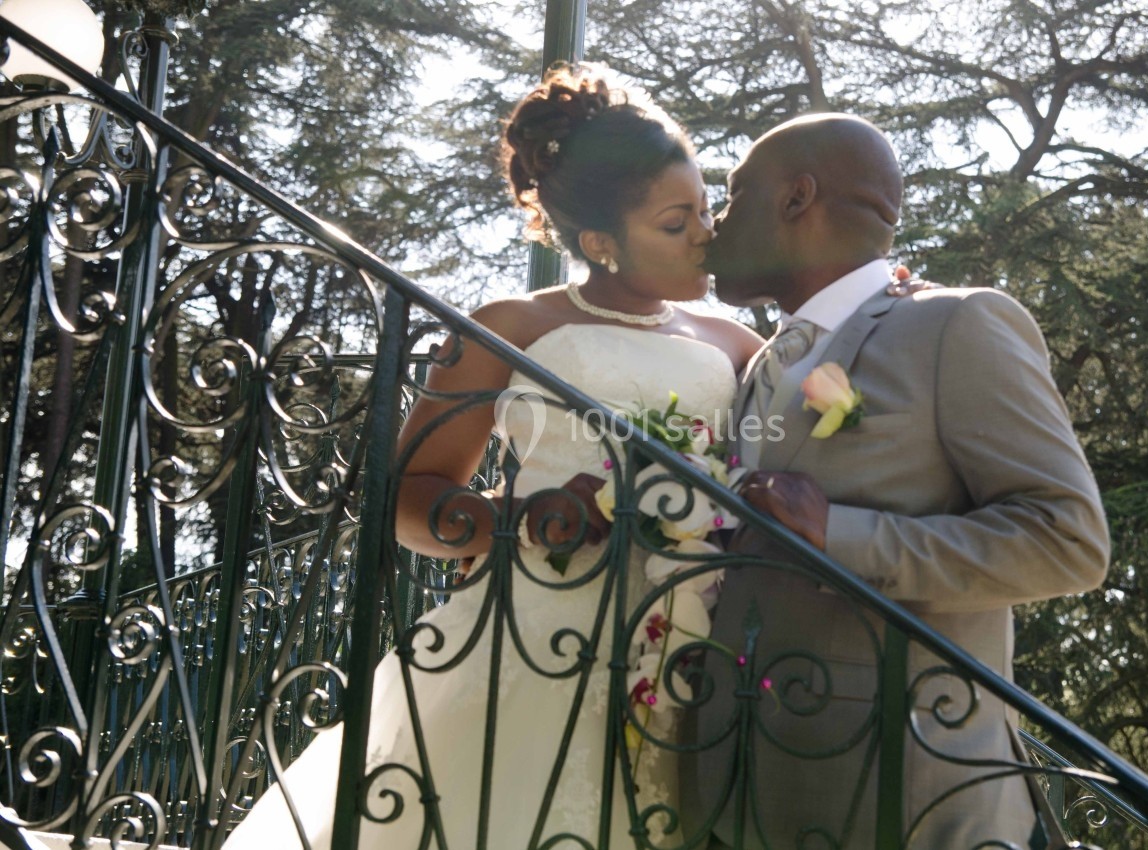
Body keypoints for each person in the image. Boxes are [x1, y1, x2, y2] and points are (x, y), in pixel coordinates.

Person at [221, 64, 761, 850]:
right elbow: (409, 502)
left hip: (691, 639)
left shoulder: (739, 345)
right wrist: (527, 523)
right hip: (531, 640)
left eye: (705, 212)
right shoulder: (512, 324)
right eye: (676, 224)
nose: (706, 235)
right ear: (601, 241)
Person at [680, 114, 1111, 849]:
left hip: (904, 795)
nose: (713, 226)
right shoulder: (758, 366)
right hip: (737, 789)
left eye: (732, 196)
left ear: (796, 198)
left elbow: (1068, 541)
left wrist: (840, 534)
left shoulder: (957, 324)